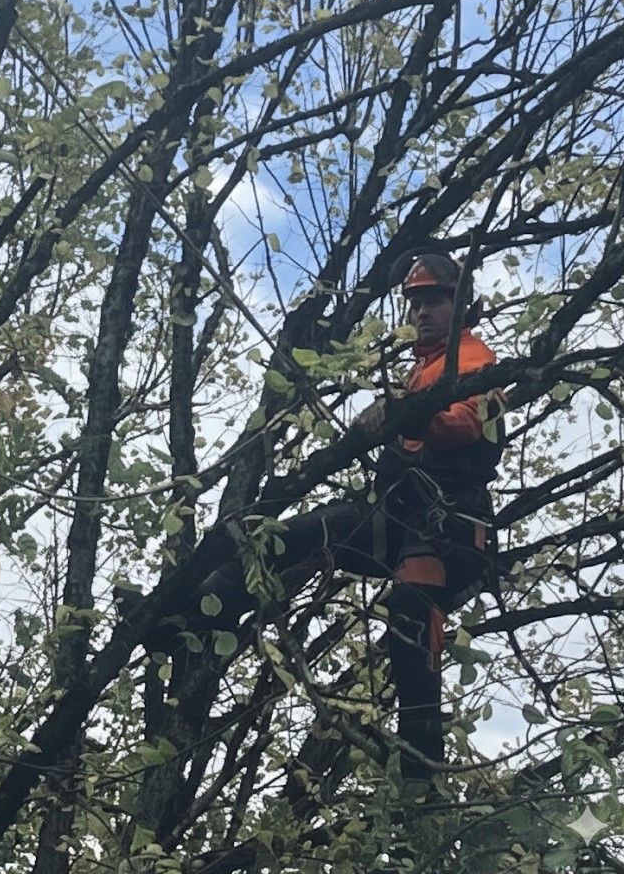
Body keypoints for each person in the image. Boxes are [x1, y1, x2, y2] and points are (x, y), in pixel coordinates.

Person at [128, 251, 504, 790]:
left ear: (460, 302)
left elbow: (466, 424)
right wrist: (389, 415)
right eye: (415, 302)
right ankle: (191, 618)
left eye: (433, 300)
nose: (421, 312)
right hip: (399, 520)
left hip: (445, 531)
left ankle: (422, 764)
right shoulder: (422, 368)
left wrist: (400, 411)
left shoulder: (471, 358)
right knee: (293, 538)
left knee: (409, 616)